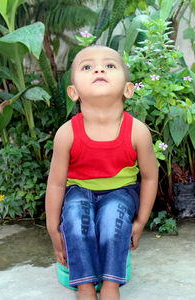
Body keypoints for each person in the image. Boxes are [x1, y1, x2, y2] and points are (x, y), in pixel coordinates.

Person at [45, 45, 158, 300]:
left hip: (121, 192)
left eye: (109, 65)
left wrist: (140, 222)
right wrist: (54, 230)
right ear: (73, 93)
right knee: (75, 216)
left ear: (128, 89)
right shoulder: (67, 133)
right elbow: (56, 184)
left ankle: (110, 284)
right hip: (79, 190)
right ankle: (85, 287)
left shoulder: (137, 131)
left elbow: (150, 177)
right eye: (87, 67)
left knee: (112, 217)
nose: (99, 69)